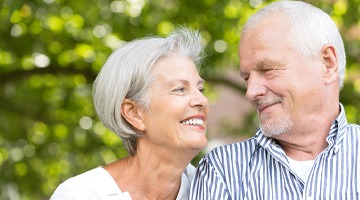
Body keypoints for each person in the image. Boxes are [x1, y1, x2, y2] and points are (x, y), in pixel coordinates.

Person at [190, 1, 360, 199]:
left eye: (267, 70)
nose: (251, 92)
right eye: (247, 78)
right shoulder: (222, 170)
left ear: (327, 64)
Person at [50, 27, 210, 200]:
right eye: (180, 89)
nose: (201, 100)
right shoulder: (80, 195)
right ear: (134, 113)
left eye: (200, 89)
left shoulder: (215, 189)